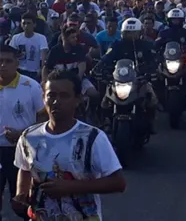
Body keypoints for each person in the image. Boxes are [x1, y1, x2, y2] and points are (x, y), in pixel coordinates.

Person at [12, 69, 126, 220]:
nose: (55, 101)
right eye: (51, 95)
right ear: (43, 98)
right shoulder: (29, 137)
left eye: (64, 96)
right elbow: (25, 169)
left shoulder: (93, 138)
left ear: (77, 99)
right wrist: (21, 194)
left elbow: (118, 183)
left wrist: (70, 187)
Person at [0, 45, 47, 220]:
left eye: (8, 61)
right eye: (0, 61)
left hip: (21, 152)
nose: (3, 65)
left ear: (17, 63)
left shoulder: (31, 86)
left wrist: (22, 134)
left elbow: (44, 118)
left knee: (22, 202)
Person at [94, 18, 158, 132]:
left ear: (140, 32)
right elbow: (106, 58)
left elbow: (154, 60)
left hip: (139, 79)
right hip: (118, 79)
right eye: (128, 32)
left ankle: (150, 122)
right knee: (104, 100)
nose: (131, 35)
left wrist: (152, 70)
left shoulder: (146, 45)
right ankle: (106, 121)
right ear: (123, 32)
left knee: (152, 98)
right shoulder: (116, 45)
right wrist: (99, 68)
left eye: (134, 32)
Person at [9, 13, 49, 82]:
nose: (26, 25)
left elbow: (43, 57)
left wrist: (42, 73)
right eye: (24, 23)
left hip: (34, 73)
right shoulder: (16, 38)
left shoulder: (41, 38)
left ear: (34, 24)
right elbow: (10, 55)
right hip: (19, 72)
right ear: (21, 25)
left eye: (29, 23)